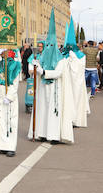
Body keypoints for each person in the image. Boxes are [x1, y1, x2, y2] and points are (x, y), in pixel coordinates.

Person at [28, 10, 74, 144]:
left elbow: (58, 72)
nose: (49, 47)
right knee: (42, 110)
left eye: (51, 45)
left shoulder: (61, 60)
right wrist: (34, 67)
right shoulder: (41, 57)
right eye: (47, 45)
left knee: (54, 111)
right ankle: (41, 133)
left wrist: (43, 72)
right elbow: (33, 70)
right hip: (43, 87)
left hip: (55, 88)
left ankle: (53, 135)